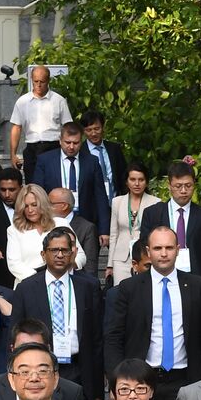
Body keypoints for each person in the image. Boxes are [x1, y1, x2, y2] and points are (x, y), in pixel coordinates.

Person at [104, 227, 201, 400]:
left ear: (178, 250)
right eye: (157, 248)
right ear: (148, 251)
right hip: (140, 381)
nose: (163, 253)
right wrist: (117, 381)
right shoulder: (129, 288)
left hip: (186, 379)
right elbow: (114, 337)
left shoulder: (196, 285)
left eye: (169, 247)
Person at [12, 226, 105, 400]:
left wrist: (96, 387)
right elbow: (15, 334)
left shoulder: (88, 286)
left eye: (65, 250)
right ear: (43, 254)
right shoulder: (27, 288)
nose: (60, 255)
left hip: (79, 368)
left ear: (72, 253)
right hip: (39, 369)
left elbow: (96, 337)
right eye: (54, 250)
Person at [0, 318, 91, 400]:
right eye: (23, 348)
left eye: (36, 347)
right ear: (12, 349)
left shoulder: (71, 392)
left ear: (48, 349)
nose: (30, 354)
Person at [32, 122, 111, 250]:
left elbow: (100, 197)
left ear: (82, 141)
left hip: (85, 221)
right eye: (67, 142)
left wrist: (104, 230)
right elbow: (37, 193)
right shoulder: (45, 161)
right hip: (53, 221)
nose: (71, 147)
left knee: (87, 264)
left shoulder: (92, 161)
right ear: (60, 141)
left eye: (76, 143)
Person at [138, 161, 201, 275]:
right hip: (161, 274)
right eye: (178, 186)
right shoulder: (152, 213)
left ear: (194, 184)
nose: (183, 191)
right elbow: (145, 249)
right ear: (169, 185)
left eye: (188, 186)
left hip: (196, 278)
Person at [8, 65, 72, 180]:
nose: (38, 84)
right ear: (31, 80)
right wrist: (13, 154)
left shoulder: (59, 101)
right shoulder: (22, 102)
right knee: (33, 185)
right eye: (35, 81)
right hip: (32, 148)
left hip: (53, 147)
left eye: (42, 81)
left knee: (54, 182)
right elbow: (16, 128)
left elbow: (68, 127)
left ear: (48, 81)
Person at [6, 183, 75, 285]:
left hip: (61, 283)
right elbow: (14, 264)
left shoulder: (61, 223)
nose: (30, 210)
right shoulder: (14, 230)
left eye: (34, 205)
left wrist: (66, 269)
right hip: (28, 284)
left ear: (43, 204)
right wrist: (42, 279)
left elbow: (80, 256)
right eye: (26, 206)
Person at [108, 163, 161, 287]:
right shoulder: (117, 202)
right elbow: (113, 234)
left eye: (141, 180)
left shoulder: (156, 202)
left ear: (146, 182)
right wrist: (110, 264)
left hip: (145, 257)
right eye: (132, 179)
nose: (137, 184)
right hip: (121, 257)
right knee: (120, 291)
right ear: (127, 182)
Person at [48, 188, 101, 279]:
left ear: (64, 206)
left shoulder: (86, 227)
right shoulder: (45, 224)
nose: (46, 207)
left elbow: (90, 265)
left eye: (50, 203)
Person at [80, 109, 127, 203]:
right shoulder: (80, 152)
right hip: (91, 205)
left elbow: (123, 176)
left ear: (103, 127)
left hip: (116, 201)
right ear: (83, 131)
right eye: (89, 130)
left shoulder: (114, 149)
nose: (93, 133)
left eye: (97, 129)